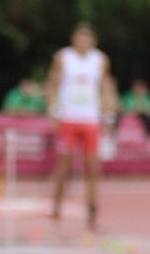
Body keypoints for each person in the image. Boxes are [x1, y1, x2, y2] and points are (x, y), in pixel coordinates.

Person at [46, 22, 110, 229]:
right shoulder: (64, 57)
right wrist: (52, 110)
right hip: (68, 118)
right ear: (74, 40)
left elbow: (105, 87)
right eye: (80, 38)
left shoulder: (99, 60)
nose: (83, 42)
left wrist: (107, 114)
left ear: (93, 41)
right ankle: (56, 206)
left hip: (90, 119)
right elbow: (52, 84)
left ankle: (92, 212)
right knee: (65, 167)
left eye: (87, 38)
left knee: (93, 167)